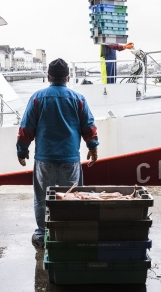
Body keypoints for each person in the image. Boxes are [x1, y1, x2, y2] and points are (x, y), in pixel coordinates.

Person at [17, 58, 99, 249]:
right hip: (70, 159)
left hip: (44, 159)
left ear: (48, 77)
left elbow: (26, 128)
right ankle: (69, 232)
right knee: (72, 197)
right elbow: (89, 126)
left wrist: (22, 150)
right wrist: (93, 148)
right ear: (68, 77)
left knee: (42, 197)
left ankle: (42, 234)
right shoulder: (78, 98)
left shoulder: (37, 98)